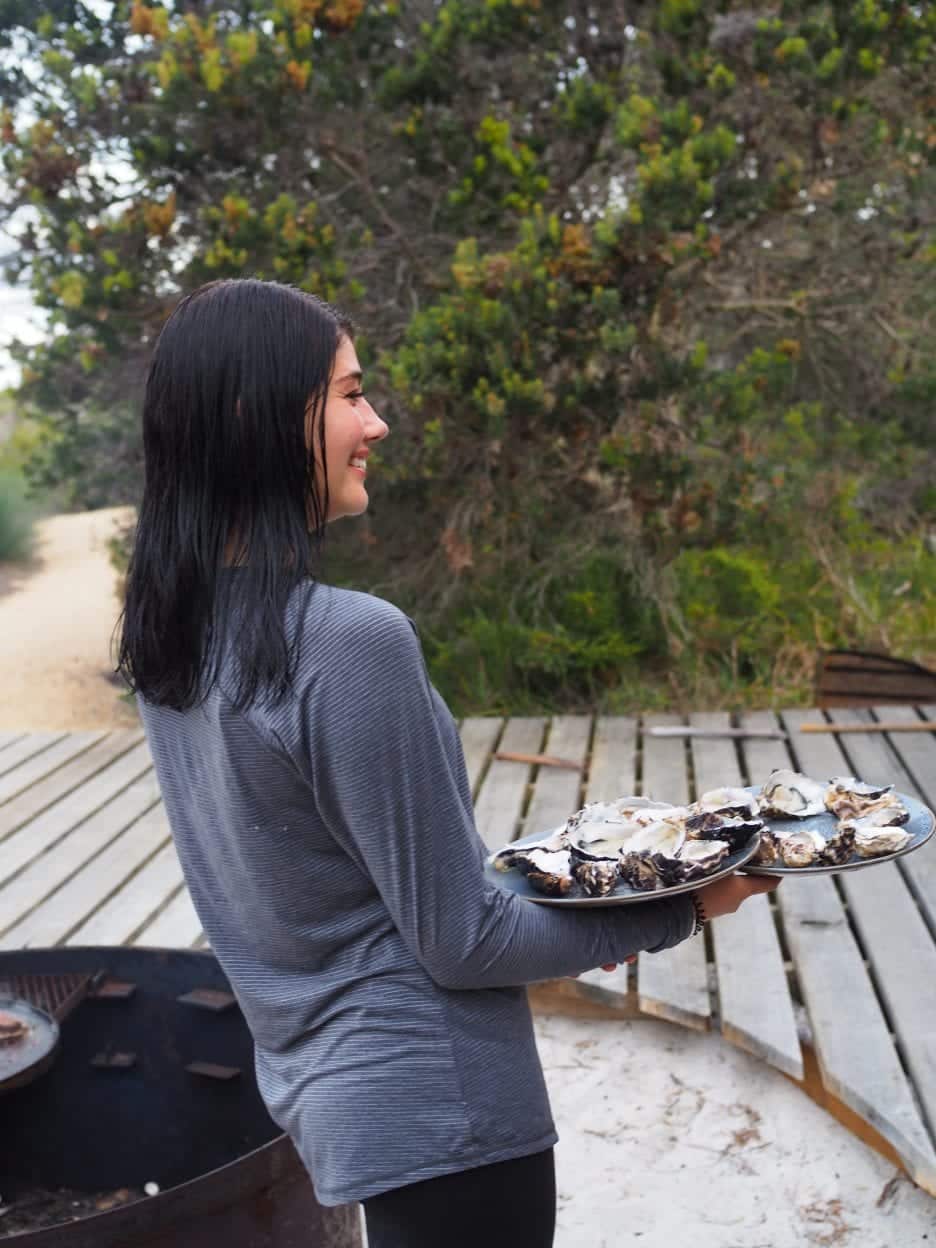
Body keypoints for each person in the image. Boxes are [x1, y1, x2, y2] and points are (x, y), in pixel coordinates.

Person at [116, 278, 780, 1248]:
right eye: (349, 395)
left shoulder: (170, 646)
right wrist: (685, 901)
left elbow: (324, 880)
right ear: (257, 418)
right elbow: (462, 942)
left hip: (326, 1097)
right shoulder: (349, 641)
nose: (377, 422)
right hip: (448, 1112)